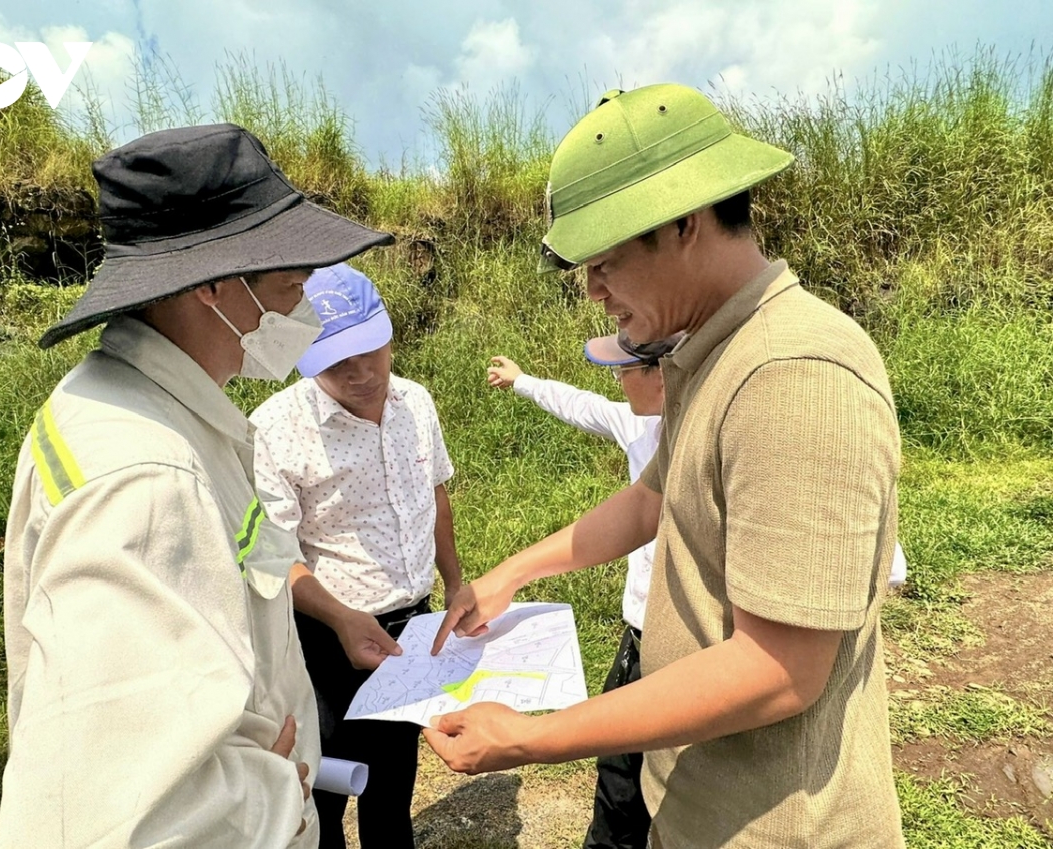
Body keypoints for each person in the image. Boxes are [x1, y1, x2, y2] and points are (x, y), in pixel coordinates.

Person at [426, 84, 907, 848]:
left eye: (606, 260)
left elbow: (778, 667)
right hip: (698, 800)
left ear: (685, 221)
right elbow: (653, 499)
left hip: (773, 827)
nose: (592, 290)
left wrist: (531, 738)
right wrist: (511, 572)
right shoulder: (708, 352)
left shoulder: (794, 374)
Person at [0, 124, 393, 848]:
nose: (302, 307)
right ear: (212, 285)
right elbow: (126, 817)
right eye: (288, 284)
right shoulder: (144, 478)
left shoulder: (123, 405)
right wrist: (281, 791)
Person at [250, 263, 462, 849]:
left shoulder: (416, 403)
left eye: (371, 349)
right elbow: (273, 556)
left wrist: (455, 582)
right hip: (324, 637)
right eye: (336, 360)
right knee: (323, 790)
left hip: (409, 628)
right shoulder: (274, 431)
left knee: (391, 780)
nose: (361, 372)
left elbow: (435, 494)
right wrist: (342, 618)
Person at [488, 334, 676, 849]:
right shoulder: (639, 424)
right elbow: (581, 406)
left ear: (663, 373)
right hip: (641, 633)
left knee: (682, 788)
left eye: (625, 370)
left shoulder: (738, 433)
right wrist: (522, 382)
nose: (616, 381)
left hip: (699, 648)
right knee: (619, 780)